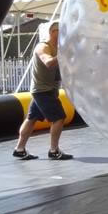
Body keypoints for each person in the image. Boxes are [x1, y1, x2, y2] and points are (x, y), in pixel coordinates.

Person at [13, 21, 73, 160]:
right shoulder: (43, 47)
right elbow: (48, 62)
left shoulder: (58, 48)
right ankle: (54, 151)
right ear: (53, 32)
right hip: (43, 91)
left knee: (31, 118)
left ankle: (19, 149)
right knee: (59, 118)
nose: (65, 33)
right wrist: (63, 55)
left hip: (47, 90)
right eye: (61, 30)